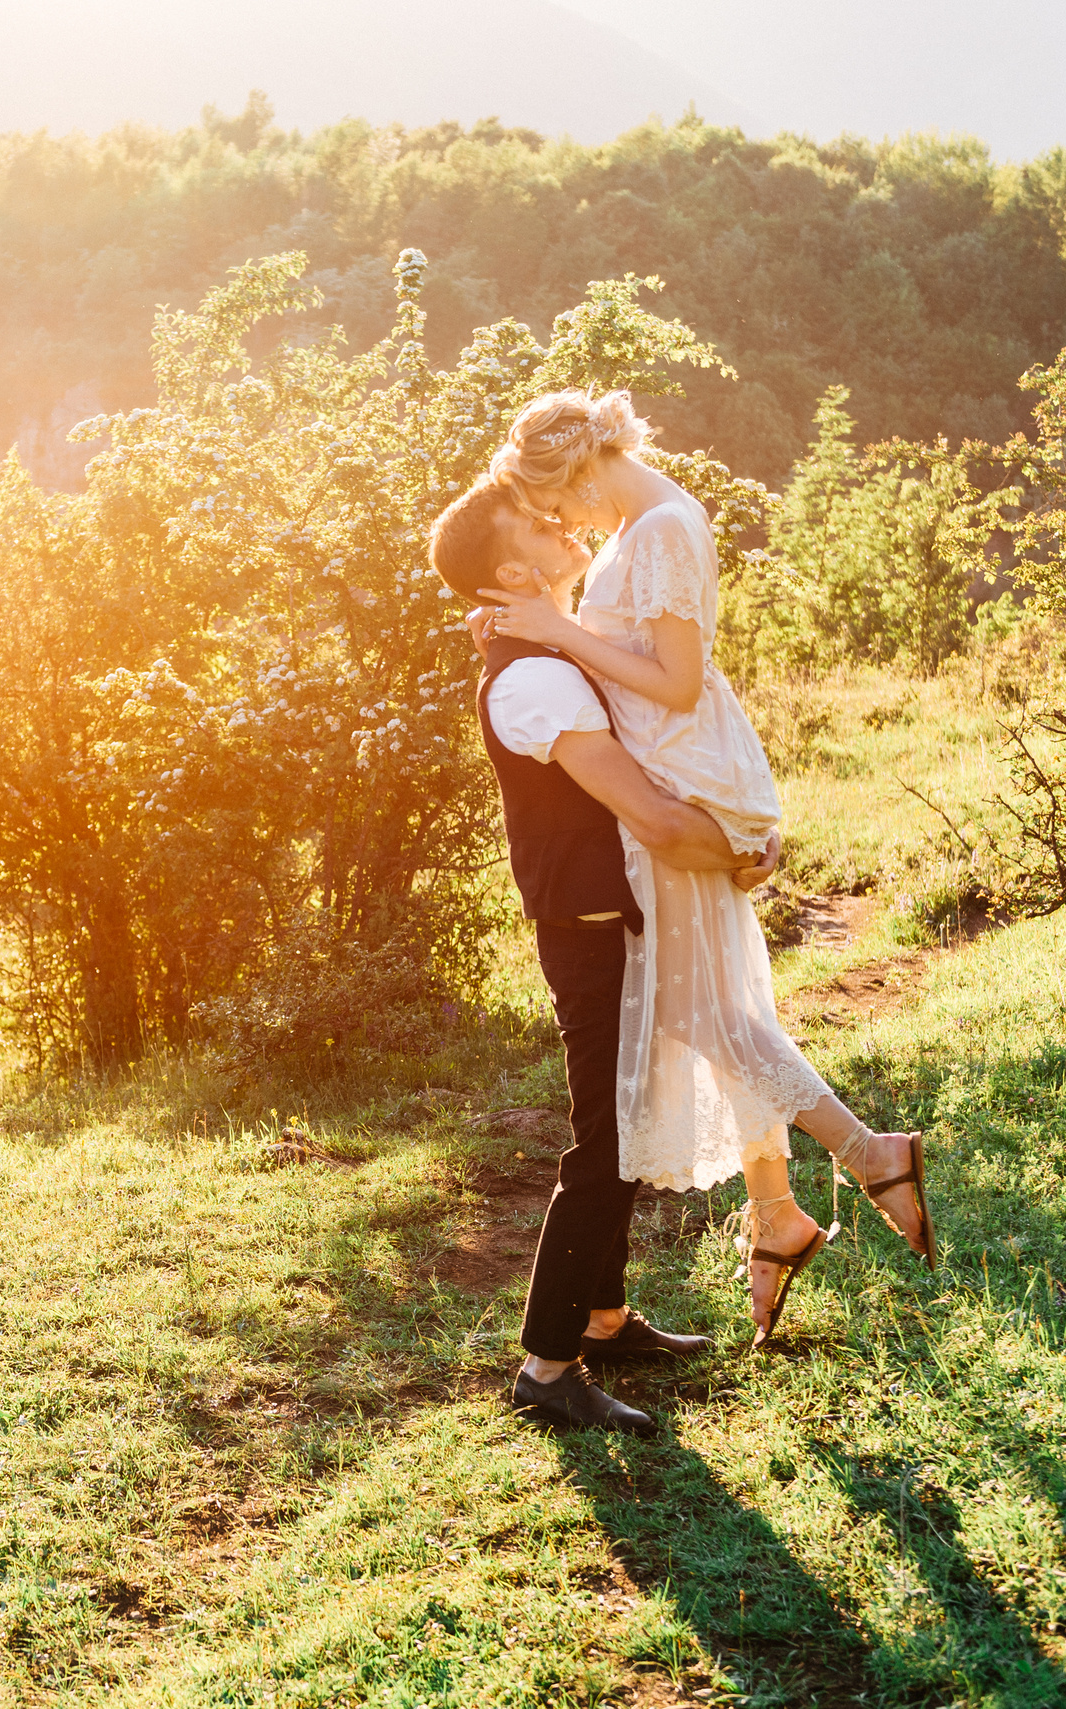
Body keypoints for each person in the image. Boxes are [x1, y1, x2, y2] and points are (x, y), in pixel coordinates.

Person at [474, 389, 935, 1348]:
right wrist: (535, 633)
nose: (561, 526)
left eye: (555, 507)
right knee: (709, 1009)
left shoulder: (663, 529)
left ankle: (869, 1155)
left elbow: (677, 684)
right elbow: (620, 665)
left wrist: (556, 633)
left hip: (673, 787)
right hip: (665, 788)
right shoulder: (640, 530)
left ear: (575, 471)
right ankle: (779, 1216)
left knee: (703, 1013)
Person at [427, 477, 776, 1437]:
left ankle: (606, 1318)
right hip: (584, 923)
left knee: (628, 1113)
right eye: (540, 524)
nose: (563, 525)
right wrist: (745, 851)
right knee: (605, 1139)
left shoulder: (545, 646)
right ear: (511, 571)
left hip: (608, 912)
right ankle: (547, 1365)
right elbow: (655, 817)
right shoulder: (532, 678)